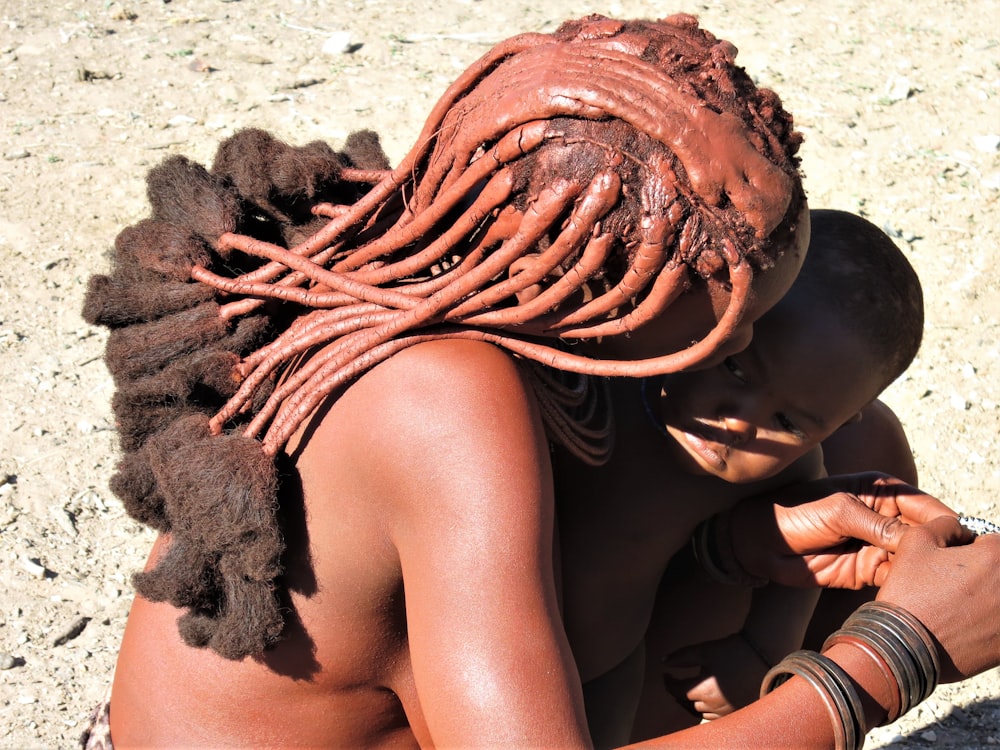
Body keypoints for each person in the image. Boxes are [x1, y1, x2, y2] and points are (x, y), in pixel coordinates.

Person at [79, 13, 1000, 750]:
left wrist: (735, 546)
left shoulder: (528, 307)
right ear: (607, 299)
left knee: (859, 446)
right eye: (732, 335)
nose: (740, 355)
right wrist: (896, 655)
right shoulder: (441, 401)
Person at [628, 208, 927, 738]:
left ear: (834, 425)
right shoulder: (608, 390)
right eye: (736, 368)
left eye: (787, 422)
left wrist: (759, 652)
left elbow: (806, 568)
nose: (739, 422)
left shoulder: (798, 472)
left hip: (634, 668)